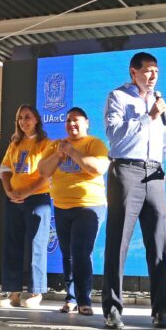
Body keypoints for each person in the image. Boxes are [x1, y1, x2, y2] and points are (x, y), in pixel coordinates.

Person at [102, 51, 166, 330]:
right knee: (118, 243)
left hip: (155, 173)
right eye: (148, 70)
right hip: (126, 171)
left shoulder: (159, 102)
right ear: (133, 72)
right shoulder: (118, 97)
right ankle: (112, 310)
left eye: (156, 71)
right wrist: (148, 116)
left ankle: (160, 311)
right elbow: (115, 137)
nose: (153, 76)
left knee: (159, 245)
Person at [38, 107, 110, 316]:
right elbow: (43, 171)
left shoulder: (94, 143)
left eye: (76, 120)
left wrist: (72, 152)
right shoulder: (56, 145)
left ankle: (84, 300)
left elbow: (97, 168)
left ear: (86, 123)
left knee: (80, 252)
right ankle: (71, 298)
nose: (71, 124)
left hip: (89, 206)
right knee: (67, 254)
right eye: (68, 120)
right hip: (62, 207)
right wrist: (58, 155)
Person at [0, 104, 52, 308]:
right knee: (12, 244)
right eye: (20, 118)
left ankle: (36, 291)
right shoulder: (15, 144)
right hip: (14, 200)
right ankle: (13, 292)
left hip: (37, 199)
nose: (24, 121)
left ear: (36, 119)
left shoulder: (46, 144)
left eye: (28, 117)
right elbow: (4, 170)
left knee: (36, 244)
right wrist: (9, 191)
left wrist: (27, 192)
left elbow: (47, 175)